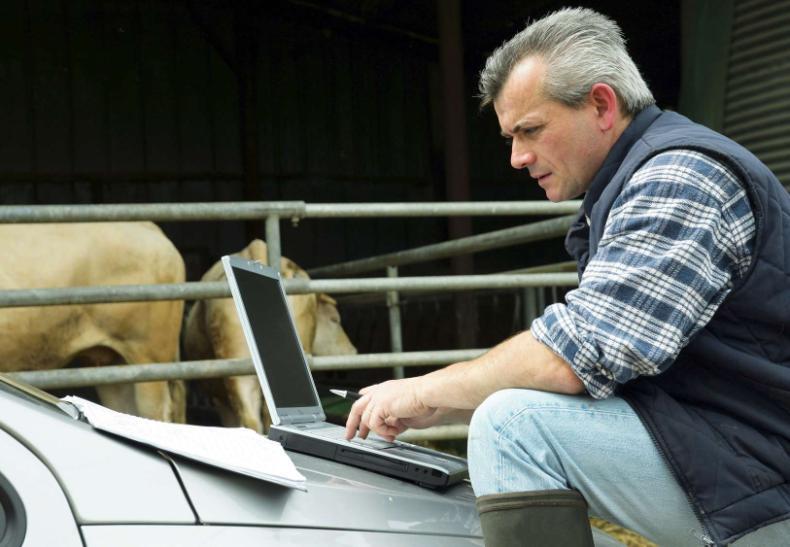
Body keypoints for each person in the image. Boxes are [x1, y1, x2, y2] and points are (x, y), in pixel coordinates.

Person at [344, 7, 790, 546]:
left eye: (530, 130)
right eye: (510, 136)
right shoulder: (634, 179)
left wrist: (423, 393)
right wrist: (438, 402)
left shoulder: (679, 177)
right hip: (722, 448)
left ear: (602, 104)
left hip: (763, 475)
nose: (516, 157)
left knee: (513, 427)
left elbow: (575, 355)